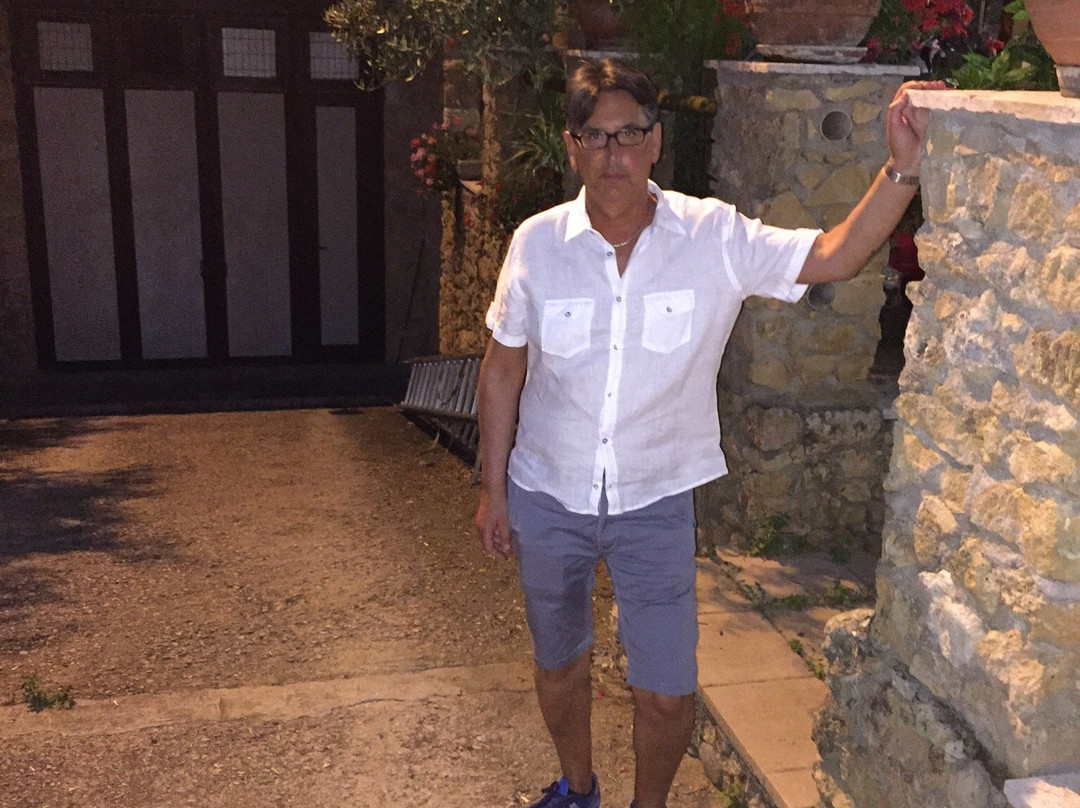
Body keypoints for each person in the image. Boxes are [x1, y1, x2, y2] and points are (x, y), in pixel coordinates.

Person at [474, 57, 941, 808]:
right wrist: (492, 489)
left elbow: (835, 255)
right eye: (595, 137)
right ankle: (578, 786)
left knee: (666, 692)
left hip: (656, 502)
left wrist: (902, 167)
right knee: (560, 662)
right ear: (572, 148)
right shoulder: (536, 245)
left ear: (656, 142)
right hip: (547, 493)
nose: (614, 154)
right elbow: (503, 369)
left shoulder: (712, 236)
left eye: (630, 134)